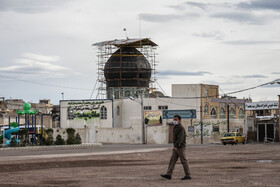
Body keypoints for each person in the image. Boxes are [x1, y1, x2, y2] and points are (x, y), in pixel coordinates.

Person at [161, 115, 191, 180]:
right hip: (176, 147)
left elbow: (180, 138)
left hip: (180, 147)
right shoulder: (175, 127)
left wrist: (176, 146)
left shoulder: (181, 127)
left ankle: (188, 175)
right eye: (174, 119)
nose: (174, 121)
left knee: (183, 161)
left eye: (176, 119)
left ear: (179, 120)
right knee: (172, 160)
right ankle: (168, 174)